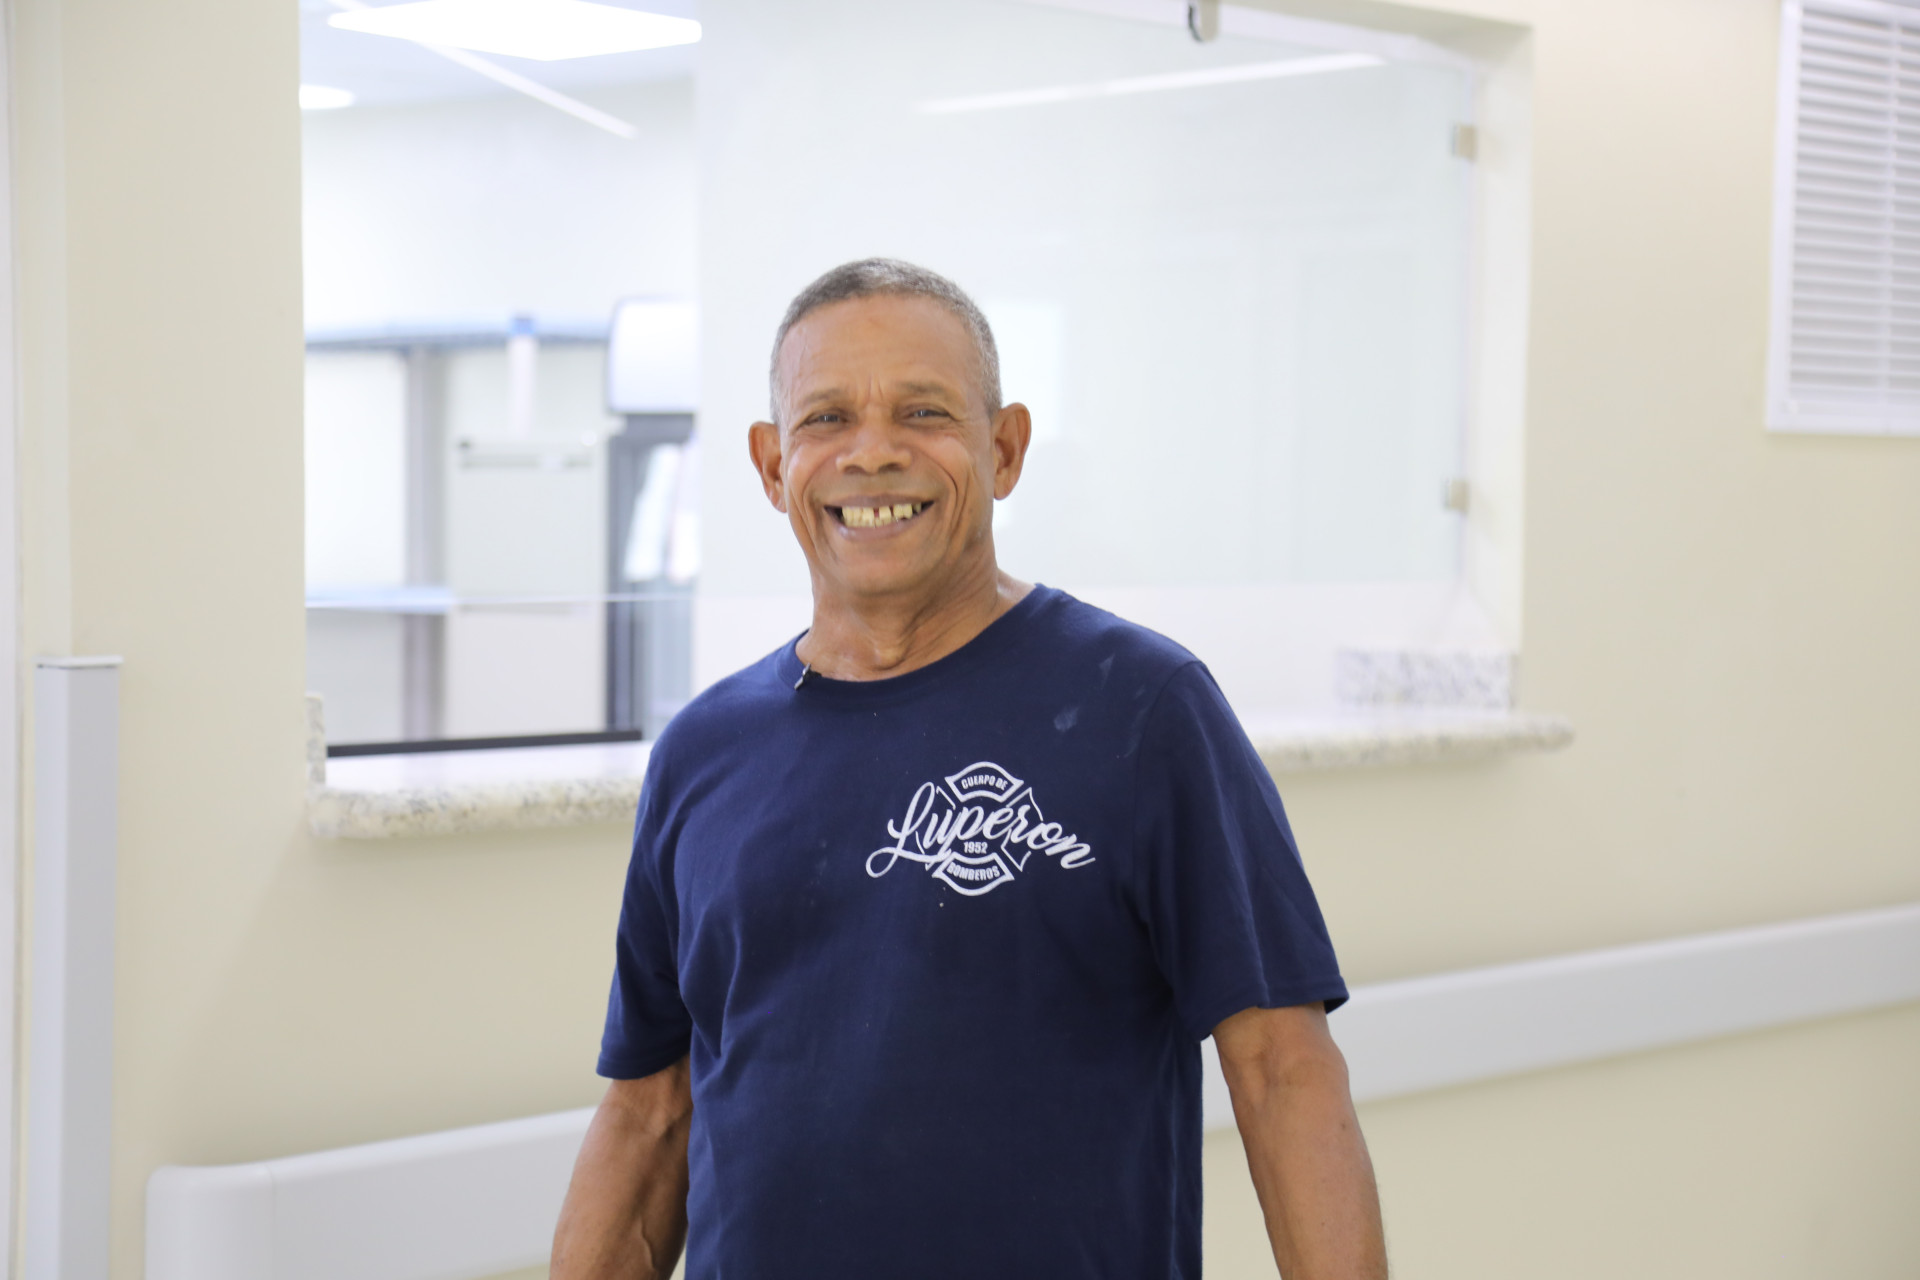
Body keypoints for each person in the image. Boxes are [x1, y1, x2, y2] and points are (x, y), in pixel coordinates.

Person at [551, 259, 1387, 1280]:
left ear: (1004, 448)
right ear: (772, 465)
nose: (873, 452)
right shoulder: (702, 753)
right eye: (827, 418)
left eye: (923, 411)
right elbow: (649, 1112)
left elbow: (1283, 1071)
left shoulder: (1144, 708)